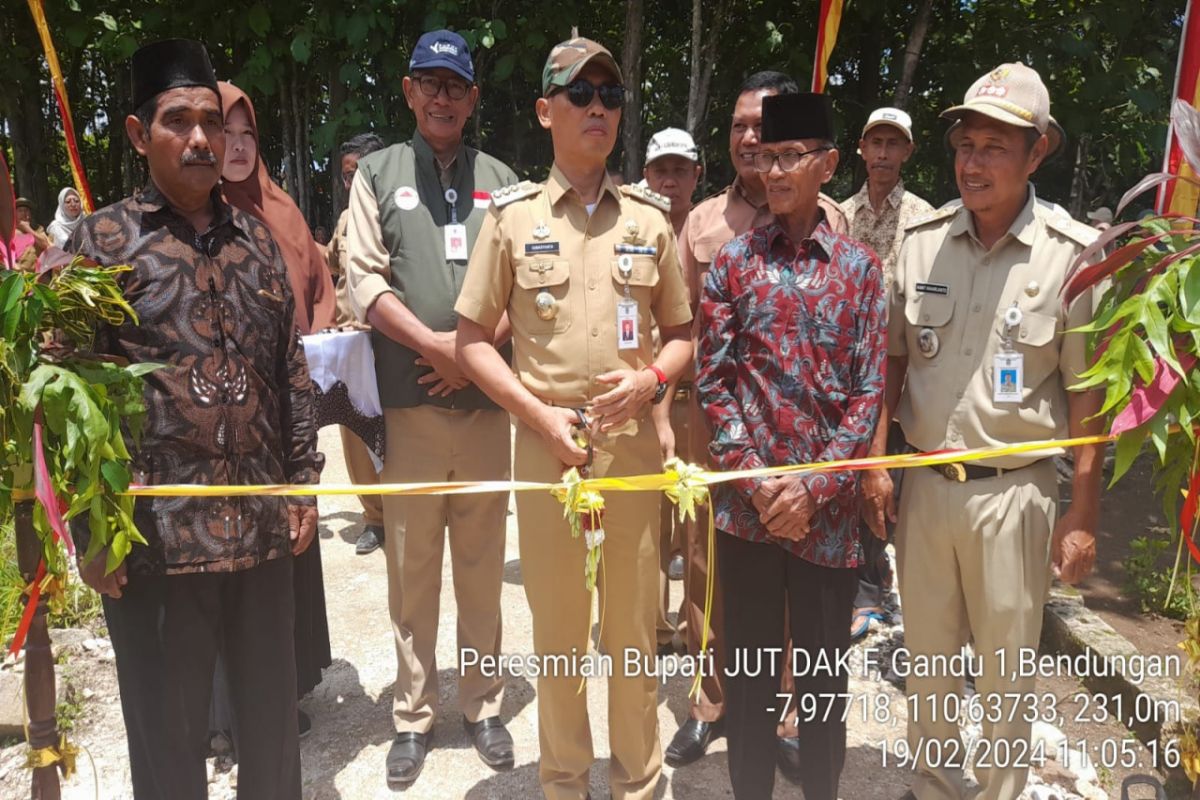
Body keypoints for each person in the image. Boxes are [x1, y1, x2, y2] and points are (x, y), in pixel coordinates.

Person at [71, 39, 321, 799]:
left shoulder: (258, 243)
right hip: (153, 546)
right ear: (138, 134)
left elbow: (291, 370)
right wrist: (90, 530)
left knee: (274, 745)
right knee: (169, 754)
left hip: (260, 534)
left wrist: (303, 482)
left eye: (211, 121)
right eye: (178, 120)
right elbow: (68, 398)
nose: (202, 139)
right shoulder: (99, 246)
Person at [455, 37, 693, 800]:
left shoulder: (650, 222)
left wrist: (654, 382)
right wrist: (537, 415)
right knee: (559, 638)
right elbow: (470, 343)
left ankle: (638, 784)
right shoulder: (512, 219)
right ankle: (564, 784)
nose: (597, 107)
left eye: (610, 96)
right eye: (580, 94)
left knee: (631, 637)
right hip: (548, 456)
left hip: (630, 460)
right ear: (544, 111)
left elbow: (684, 334)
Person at [864, 63, 1103, 800]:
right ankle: (936, 787)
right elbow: (892, 363)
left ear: (1037, 153)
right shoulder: (923, 241)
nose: (972, 162)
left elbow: (1087, 396)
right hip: (927, 489)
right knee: (929, 661)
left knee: (1006, 673)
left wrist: (1084, 513)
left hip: (1016, 497)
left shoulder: (1072, 256)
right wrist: (878, 464)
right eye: (965, 145)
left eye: (994, 147)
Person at [695, 91, 886, 800]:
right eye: (767, 157)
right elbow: (713, 385)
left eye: (791, 157)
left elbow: (868, 392)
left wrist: (812, 488)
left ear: (829, 163)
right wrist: (759, 485)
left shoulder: (861, 270)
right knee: (746, 682)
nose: (774, 172)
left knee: (823, 684)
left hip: (828, 520)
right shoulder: (734, 264)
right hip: (747, 517)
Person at [342, 29, 518, 788]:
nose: (443, 96)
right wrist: (446, 351)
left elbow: (524, 288)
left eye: (457, 85)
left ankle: (481, 706)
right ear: (410, 92)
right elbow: (362, 280)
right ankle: (412, 716)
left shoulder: (506, 180)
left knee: (480, 568)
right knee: (412, 569)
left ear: (473, 99)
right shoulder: (376, 173)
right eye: (430, 83)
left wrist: (473, 356)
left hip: (484, 413)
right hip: (411, 408)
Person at [674, 69, 845, 772]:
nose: (753, 138)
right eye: (741, 126)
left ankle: (783, 715)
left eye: (766, 127)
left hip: (801, 444)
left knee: (793, 578)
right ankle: (710, 705)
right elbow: (683, 330)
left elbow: (852, 342)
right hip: (716, 433)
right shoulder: (703, 223)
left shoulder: (834, 219)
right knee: (706, 574)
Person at [214, 79, 334, 742]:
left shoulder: (280, 209)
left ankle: (279, 694)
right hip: (213, 419)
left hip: (283, 415)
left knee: (285, 544)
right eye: (221, 132)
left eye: (245, 133)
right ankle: (223, 715)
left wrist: (311, 336)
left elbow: (319, 283)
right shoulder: (191, 214)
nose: (234, 147)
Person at [840, 106, 934, 642]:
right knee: (853, 478)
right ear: (860, 148)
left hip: (901, 373)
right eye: (874, 142)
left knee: (888, 482)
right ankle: (861, 585)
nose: (882, 153)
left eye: (892, 144)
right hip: (847, 371)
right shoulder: (841, 214)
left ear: (907, 153)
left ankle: (879, 586)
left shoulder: (925, 219)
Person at [641, 127, 701, 657]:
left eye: (680, 170)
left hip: (701, 402)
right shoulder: (629, 229)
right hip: (648, 403)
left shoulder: (715, 231)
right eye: (661, 170)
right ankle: (656, 631)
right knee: (651, 528)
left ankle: (698, 630)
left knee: (698, 527)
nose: (669, 180)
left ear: (696, 177)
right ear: (645, 175)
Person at [327, 131, 388, 554]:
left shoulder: (400, 215)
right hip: (352, 348)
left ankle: (408, 510)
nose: (349, 185)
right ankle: (374, 518)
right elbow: (329, 261)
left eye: (355, 175)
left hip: (391, 346)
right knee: (356, 437)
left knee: (401, 434)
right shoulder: (347, 220)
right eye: (345, 177)